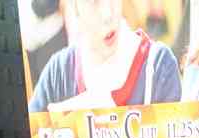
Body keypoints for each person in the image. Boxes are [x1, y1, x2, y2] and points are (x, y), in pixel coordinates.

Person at [27, 0, 183, 113]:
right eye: (93, 2)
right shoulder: (58, 73)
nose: (108, 14)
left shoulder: (158, 65)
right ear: (74, 6)